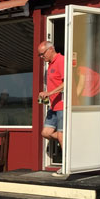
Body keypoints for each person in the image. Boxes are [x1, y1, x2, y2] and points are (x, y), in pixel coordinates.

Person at [37, 41, 65, 173]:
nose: (41, 57)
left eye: (42, 54)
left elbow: (67, 83)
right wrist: (48, 96)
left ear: (50, 50)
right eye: (40, 55)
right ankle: (67, 139)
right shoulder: (50, 65)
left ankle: (66, 165)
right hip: (53, 106)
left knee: (61, 135)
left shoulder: (61, 61)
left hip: (62, 105)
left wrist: (49, 93)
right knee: (46, 133)